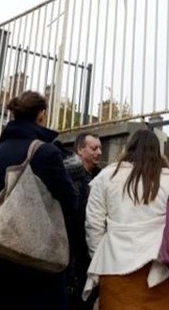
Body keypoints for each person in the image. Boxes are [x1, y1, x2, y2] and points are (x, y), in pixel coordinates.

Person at [0, 91, 78, 310]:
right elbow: (69, 201)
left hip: (5, 246)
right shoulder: (46, 152)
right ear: (41, 115)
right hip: (39, 255)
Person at [85, 129, 169, 310]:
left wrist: (100, 257)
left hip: (114, 268)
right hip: (162, 272)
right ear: (158, 151)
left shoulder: (105, 177)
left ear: (129, 148)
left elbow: (93, 225)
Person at [64, 132, 102, 310]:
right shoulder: (68, 177)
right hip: (72, 253)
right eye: (94, 148)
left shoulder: (100, 179)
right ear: (80, 150)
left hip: (90, 253)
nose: (99, 152)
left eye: (100, 148)